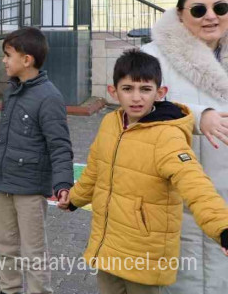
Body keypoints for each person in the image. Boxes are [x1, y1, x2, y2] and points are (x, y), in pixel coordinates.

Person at [58, 49, 228, 293]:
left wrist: (222, 227)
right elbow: (95, 171)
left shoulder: (167, 135)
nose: (136, 97)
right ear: (113, 92)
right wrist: (74, 199)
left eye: (145, 89)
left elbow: (195, 184)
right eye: (127, 89)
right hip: (108, 249)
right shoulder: (110, 124)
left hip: (145, 258)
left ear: (160, 93)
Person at [0, 27, 73, 294]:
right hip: (3, 183)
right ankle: (8, 289)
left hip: (30, 189)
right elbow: (6, 139)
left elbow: (60, 147)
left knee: (34, 251)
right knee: (5, 245)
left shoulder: (49, 97)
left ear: (27, 59)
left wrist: (63, 184)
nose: (4, 60)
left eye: (8, 54)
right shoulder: (12, 91)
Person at [141, 0, 228, 293]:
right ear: (180, 14)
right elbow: (134, 109)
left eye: (220, 6)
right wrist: (196, 116)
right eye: (198, 9)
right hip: (179, 198)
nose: (211, 16)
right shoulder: (152, 56)